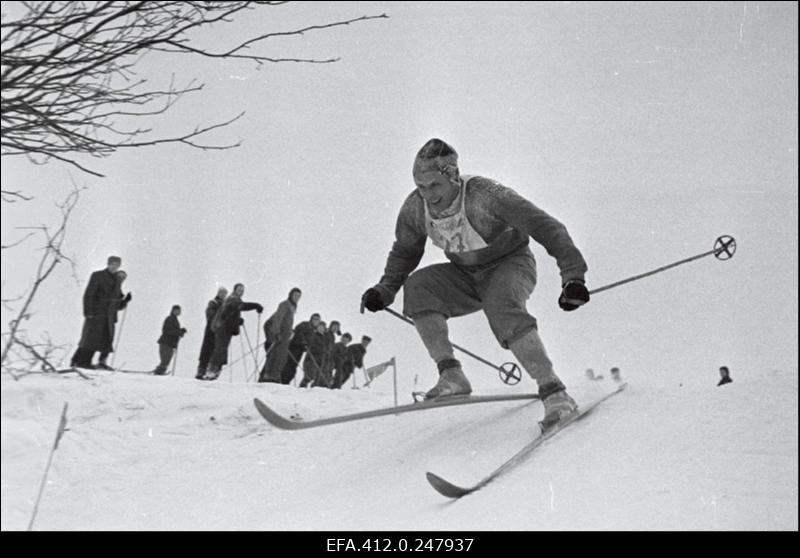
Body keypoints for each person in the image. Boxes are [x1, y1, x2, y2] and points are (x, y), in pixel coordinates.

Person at [360, 138, 590, 428]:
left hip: (509, 264)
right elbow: (405, 251)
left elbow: (546, 227)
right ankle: (452, 374)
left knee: (500, 304)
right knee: (419, 287)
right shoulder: (415, 208)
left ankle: (555, 392)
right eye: (421, 186)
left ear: (453, 176)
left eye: (434, 185)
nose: (428, 195)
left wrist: (572, 276)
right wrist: (385, 289)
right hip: (465, 275)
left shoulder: (486, 196)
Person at [73, 255, 124, 369]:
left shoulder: (117, 280)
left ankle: (85, 361)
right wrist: (88, 312)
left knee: (104, 340)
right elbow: (89, 294)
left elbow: (117, 301)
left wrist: (125, 301)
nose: (114, 267)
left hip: (109, 316)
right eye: (113, 264)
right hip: (96, 312)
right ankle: (82, 362)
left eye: (117, 265)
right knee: (90, 338)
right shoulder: (98, 276)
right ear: (108, 264)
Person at [204, 283, 263, 381]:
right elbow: (240, 306)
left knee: (222, 349)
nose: (241, 292)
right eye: (239, 290)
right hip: (222, 327)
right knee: (220, 349)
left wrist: (237, 320)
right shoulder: (233, 298)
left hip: (224, 327)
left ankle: (214, 372)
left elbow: (229, 312)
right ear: (235, 290)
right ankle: (211, 371)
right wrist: (256, 305)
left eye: (242, 290)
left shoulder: (233, 299)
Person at [259, 288, 301, 383]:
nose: (297, 298)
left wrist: (290, 331)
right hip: (279, 337)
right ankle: (269, 377)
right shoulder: (285, 304)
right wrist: (276, 333)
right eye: (295, 295)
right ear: (290, 295)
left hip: (285, 338)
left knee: (282, 358)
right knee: (276, 356)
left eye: (299, 296)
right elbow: (278, 318)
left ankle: (274, 376)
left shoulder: (292, 307)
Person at [196, 286, 228, 380]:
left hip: (221, 332)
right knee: (208, 350)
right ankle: (202, 371)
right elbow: (210, 315)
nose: (223, 295)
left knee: (218, 351)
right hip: (211, 331)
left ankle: (214, 371)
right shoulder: (213, 303)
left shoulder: (226, 304)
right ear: (218, 293)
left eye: (224, 293)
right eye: (221, 293)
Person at [280, 313, 321, 384]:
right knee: (289, 364)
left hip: (301, 350)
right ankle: (283, 380)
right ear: (311, 319)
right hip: (294, 347)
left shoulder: (313, 331)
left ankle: (286, 381)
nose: (316, 321)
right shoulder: (305, 325)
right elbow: (298, 331)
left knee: (293, 365)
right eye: (314, 319)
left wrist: (307, 346)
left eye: (318, 320)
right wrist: (303, 342)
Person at [152, 305, 187, 375]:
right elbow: (168, 330)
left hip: (169, 343)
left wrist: (180, 331)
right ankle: (158, 372)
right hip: (166, 342)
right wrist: (179, 332)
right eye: (177, 310)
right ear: (173, 311)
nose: (179, 312)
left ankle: (160, 371)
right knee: (165, 359)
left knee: (167, 359)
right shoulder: (170, 319)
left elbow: (173, 331)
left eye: (179, 311)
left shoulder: (174, 319)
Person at [300, 321, 328, 387]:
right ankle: (302, 386)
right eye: (320, 327)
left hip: (320, 358)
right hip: (312, 358)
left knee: (318, 376)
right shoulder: (313, 335)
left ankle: (313, 390)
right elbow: (310, 345)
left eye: (322, 327)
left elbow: (325, 347)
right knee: (310, 375)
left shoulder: (324, 338)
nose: (321, 329)